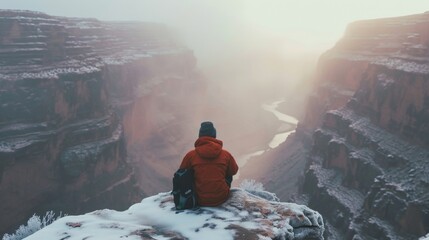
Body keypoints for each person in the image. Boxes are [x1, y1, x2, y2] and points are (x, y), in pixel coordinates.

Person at [179, 121, 239, 206]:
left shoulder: (190, 155)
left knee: (188, 173)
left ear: (200, 136)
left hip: (199, 198)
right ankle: (219, 190)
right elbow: (234, 171)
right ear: (214, 135)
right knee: (229, 171)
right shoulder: (226, 154)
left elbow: (181, 174)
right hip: (221, 198)